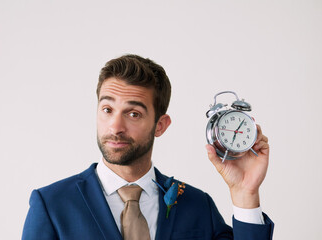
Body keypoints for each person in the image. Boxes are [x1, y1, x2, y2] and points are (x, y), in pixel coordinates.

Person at [22, 54, 274, 240]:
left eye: (133, 114)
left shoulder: (198, 206)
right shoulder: (51, 205)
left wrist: (245, 193)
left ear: (160, 125)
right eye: (107, 109)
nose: (115, 126)